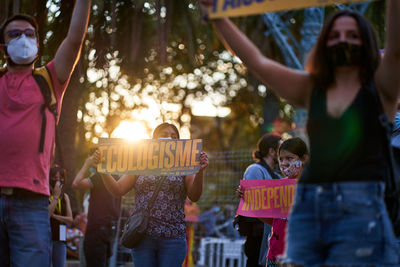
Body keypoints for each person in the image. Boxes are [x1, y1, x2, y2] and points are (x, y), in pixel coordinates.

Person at [199, 1, 400, 265]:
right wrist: (217, 18)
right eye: (335, 35)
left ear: (367, 44)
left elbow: (395, 51)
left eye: (353, 35)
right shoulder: (313, 89)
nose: (343, 40)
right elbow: (257, 61)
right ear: (325, 45)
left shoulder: (383, 90)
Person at [0, 2, 90, 266]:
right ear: (3, 48)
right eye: (14, 34)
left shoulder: (49, 79)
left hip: (31, 203)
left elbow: (74, 40)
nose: (23, 39)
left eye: (30, 34)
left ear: (38, 45)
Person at [95, 122, 209, 267]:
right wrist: (103, 170)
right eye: (164, 135)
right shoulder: (140, 163)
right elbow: (118, 190)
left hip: (173, 238)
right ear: (153, 141)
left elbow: (194, 196)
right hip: (143, 237)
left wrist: (200, 171)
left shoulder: (185, 165)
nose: (169, 139)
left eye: (174, 136)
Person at [259, 138, 308, 267]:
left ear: (303, 159)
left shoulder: (312, 187)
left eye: (289, 158)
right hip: (275, 257)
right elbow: (274, 220)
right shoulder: (279, 187)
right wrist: (248, 201)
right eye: (281, 159)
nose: (284, 163)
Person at [237, 133, 281, 267]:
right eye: (280, 148)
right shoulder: (255, 169)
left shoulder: (277, 175)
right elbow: (253, 202)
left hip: (271, 235)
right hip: (258, 235)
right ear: (271, 151)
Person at [72, 151, 121, 267]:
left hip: (96, 230)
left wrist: (86, 164)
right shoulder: (117, 177)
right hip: (110, 229)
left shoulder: (100, 176)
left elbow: (76, 184)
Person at [49, 165, 73, 267]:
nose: (58, 181)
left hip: (61, 236)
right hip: (47, 236)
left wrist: (54, 216)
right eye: (55, 178)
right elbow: (47, 215)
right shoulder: (46, 194)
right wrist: (55, 196)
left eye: (61, 178)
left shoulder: (65, 196)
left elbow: (70, 220)